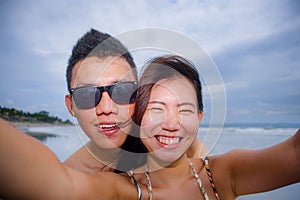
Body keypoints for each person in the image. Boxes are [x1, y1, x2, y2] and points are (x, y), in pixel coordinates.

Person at [1, 55, 299, 200]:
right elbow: (57, 185)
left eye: (184, 109)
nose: (171, 123)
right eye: (157, 109)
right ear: (138, 118)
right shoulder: (122, 190)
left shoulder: (222, 174)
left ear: (199, 117)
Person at [63, 29, 207, 173]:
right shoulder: (68, 181)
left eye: (121, 91)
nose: (106, 108)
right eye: (87, 95)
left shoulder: (166, 134)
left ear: (139, 94)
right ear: (71, 106)